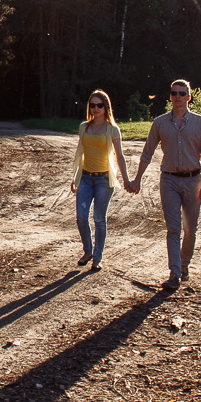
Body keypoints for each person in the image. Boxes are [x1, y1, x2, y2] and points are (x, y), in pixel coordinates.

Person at [126, 78, 201, 289]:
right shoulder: (160, 123)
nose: (178, 97)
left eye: (182, 93)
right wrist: (137, 178)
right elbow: (147, 153)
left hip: (193, 181)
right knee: (173, 229)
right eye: (174, 93)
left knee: (190, 230)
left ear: (189, 97)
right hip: (169, 181)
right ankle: (174, 274)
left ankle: (184, 265)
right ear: (170, 96)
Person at [65, 89, 128, 271]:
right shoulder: (84, 126)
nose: (95, 108)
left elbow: (120, 156)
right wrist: (76, 177)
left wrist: (126, 179)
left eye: (99, 105)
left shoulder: (112, 129)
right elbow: (80, 154)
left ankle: (97, 257)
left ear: (106, 107)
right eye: (92, 105)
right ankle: (88, 250)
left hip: (104, 179)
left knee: (99, 219)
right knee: (81, 217)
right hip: (85, 177)